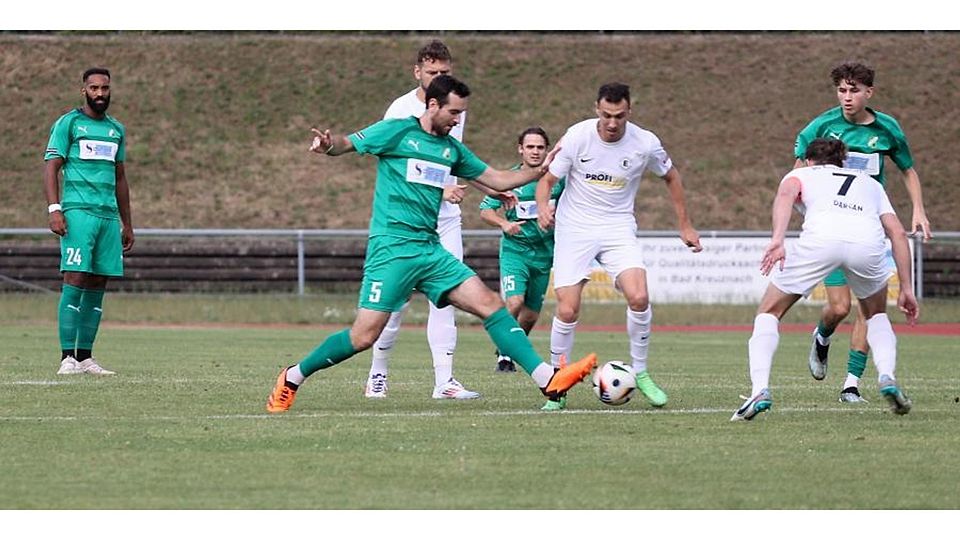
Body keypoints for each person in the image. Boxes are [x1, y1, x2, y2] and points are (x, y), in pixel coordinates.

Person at [266, 75, 597, 413]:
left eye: (461, 114)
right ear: (433, 105)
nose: (458, 120)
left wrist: (543, 169)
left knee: (491, 304)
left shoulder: (451, 148)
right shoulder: (396, 131)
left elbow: (496, 179)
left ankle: (548, 380)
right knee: (364, 337)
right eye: (454, 113)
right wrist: (328, 145)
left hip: (430, 250)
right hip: (392, 250)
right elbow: (346, 143)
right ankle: (293, 376)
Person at [536, 82, 702, 411]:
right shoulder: (577, 136)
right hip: (575, 227)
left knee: (639, 296)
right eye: (607, 115)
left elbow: (671, 176)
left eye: (620, 116)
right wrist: (543, 207)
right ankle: (558, 382)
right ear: (597, 108)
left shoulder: (645, 143)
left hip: (617, 226)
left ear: (630, 111)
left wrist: (684, 224)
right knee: (568, 309)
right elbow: (547, 181)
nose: (613, 123)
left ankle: (639, 371)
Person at [732, 138, 918, 421]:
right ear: (841, 162)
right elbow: (898, 233)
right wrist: (906, 287)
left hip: (821, 241)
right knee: (875, 314)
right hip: (866, 244)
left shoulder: (800, 174)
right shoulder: (870, 184)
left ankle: (760, 389)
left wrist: (778, 240)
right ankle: (887, 377)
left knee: (769, 311)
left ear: (809, 161)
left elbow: (784, 197)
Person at [366, 40, 501, 400]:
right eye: (432, 73)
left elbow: (453, 158)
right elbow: (395, 165)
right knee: (396, 302)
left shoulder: (455, 106)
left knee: (446, 298)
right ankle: (378, 373)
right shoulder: (399, 110)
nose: (439, 78)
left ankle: (445, 381)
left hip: (446, 220)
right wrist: (438, 190)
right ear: (417, 72)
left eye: (445, 72)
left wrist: (490, 186)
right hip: (406, 223)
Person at [795, 62, 932, 404]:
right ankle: (822, 337)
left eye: (854, 90)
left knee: (869, 309)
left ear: (869, 92)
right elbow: (798, 170)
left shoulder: (887, 129)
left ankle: (851, 384)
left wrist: (918, 209)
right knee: (839, 307)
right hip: (834, 228)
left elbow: (908, 169)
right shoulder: (823, 125)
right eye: (842, 90)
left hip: (869, 228)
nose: (847, 97)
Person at [43, 67, 134, 376]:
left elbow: (120, 177)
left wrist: (128, 223)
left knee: (98, 282)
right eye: (94, 88)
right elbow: (51, 167)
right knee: (75, 278)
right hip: (78, 212)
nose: (100, 93)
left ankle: (85, 358)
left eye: (104, 88)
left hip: (108, 216)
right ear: (83, 90)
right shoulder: (69, 124)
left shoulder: (116, 129)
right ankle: (66, 357)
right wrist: (55, 209)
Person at [479, 127, 565, 373]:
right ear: (520, 149)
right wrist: (504, 224)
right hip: (515, 252)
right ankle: (504, 357)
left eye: (540, 147)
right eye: (530, 147)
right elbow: (485, 210)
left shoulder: (556, 182)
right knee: (514, 302)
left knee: (529, 317)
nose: (535, 151)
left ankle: (509, 347)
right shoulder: (510, 180)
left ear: (546, 150)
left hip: (544, 255)